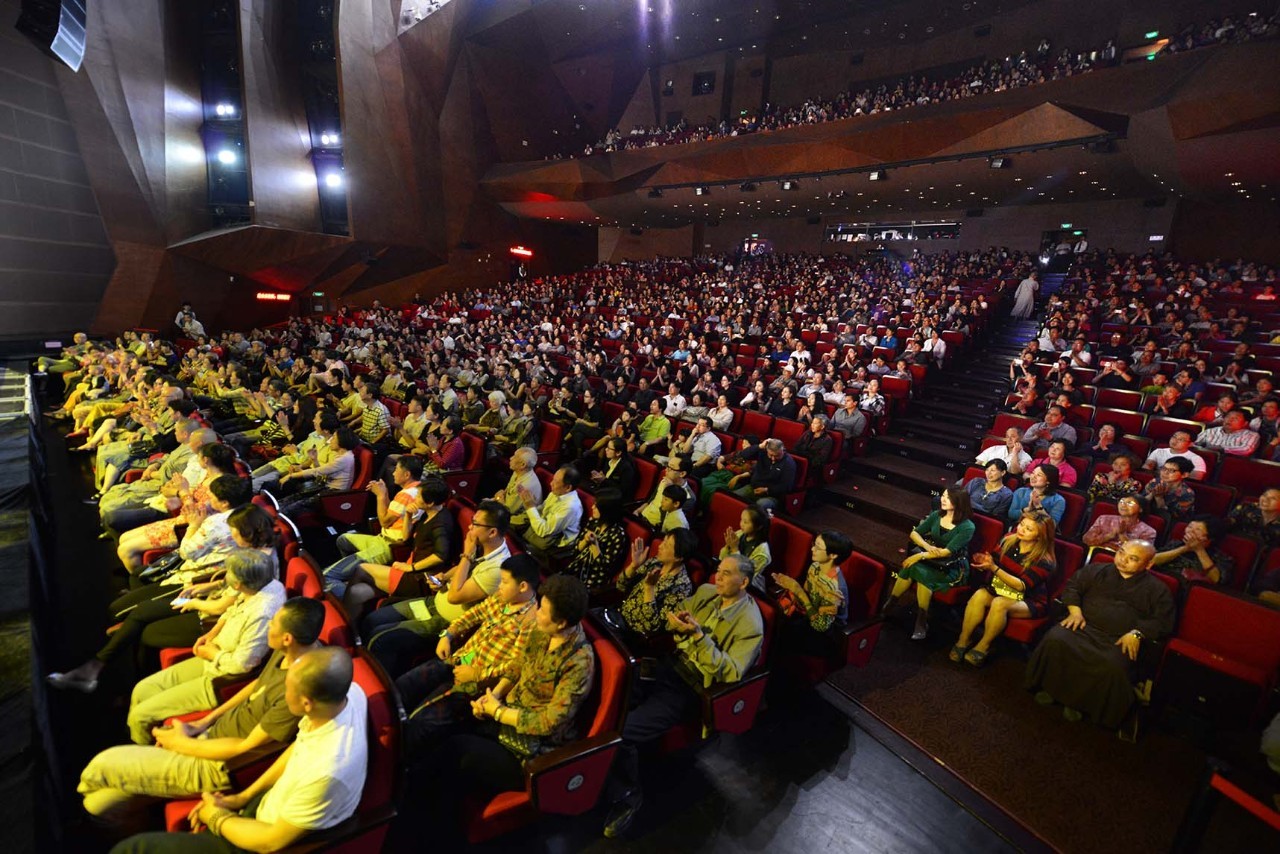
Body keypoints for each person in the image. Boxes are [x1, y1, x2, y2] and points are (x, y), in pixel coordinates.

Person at [77, 598, 326, 828]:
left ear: (287, 639)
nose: (268, 624)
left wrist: (182, 743)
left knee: (101, 770)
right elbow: (258, 684)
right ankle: (133, 816)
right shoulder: (294, 651)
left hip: (220, 765)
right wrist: (204, 721)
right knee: (101, 801)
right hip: (209, 738)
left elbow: (244, 749)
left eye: (273, 624)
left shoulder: (300, 685)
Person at [110, 647, 368, 854]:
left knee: (131, 849)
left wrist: (216, 817)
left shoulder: (327, 772)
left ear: (306, 703)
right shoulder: (347, 696)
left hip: (262, 840)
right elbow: (299, 748)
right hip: (261, 807)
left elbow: (271, 842)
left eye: (287, 688)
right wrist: (241, 798)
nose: (282, 691)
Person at [413, 575, 594, 846]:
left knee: (457, 751)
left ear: (562, 623)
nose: (536, 612)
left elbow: (548, 722)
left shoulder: (579, 662)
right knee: (446, 725)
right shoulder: (541, 630)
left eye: (543, 610)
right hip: (506, 713)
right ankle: (415, 804)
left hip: (533, 750)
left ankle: (436, 836)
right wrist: (493, 696)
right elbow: (517, 666)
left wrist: (498, 712)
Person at [604, 554, 763, 837]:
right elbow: (676, 615)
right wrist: (677, 624)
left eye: (727, 574)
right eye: (718, 570)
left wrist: (700, 638)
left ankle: (628, 795)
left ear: (745, 581)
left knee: (625, 731)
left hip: (691, 686)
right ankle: (601, 765)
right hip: (667, 663)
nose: (718, 577)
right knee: (612, 694)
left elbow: (732, 674)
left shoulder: (750, 624)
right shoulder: (706, 593)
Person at [123, 550, 285, 745]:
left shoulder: (262, 615)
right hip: (214, 654)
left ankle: (142, 753)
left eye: (229, 575)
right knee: (142, 689)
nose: (225, 578)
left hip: (222, 678)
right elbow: (232, 609)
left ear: (238, 585)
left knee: (140, 716)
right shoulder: (263, 583)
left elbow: (242, 665)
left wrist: (213, 654)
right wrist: (211, 634)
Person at [394, 554, 541, 756]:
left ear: (523, 587)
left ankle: (399, 762)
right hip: (457, 660)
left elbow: (514, 666)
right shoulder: (503, 598)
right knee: (402, 687)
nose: (500, 586)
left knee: (419, 722)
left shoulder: (531, 621)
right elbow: (474, 615)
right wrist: (448, 634)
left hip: (477, 685)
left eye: (505, 582)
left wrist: (476, 674)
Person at [1025, 541, 1175, 727]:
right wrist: (1075, 611)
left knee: (1111, 665)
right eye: (1121, 553)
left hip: (1118, 639)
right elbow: (1072, 588)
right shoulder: (1097, 570)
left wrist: (1137, 633)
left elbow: (1162, 621)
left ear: (1148, 564)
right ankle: (1051, 689)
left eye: (1133, 559)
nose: (1123, 560)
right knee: (1056, 639)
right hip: (1083, 625)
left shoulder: (1158, 590)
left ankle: (1081, 704)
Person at [363, 500, 512, 677]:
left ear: (492, 532)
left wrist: (466, 553)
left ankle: (379, 687)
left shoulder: (497, 568)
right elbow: (463, 570)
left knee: (381, 639)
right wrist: (444, 578)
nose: (470, 527)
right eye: (472, 520)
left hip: (445, 620)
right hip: (433, 602)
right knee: (373, 619)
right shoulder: (484, 546)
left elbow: (455, 597)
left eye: (475, 523)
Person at [952, 513, 1058, 666]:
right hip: (1000, 589)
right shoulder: (1008, 540)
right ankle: (963, 640)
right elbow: (993, 560)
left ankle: (983, 646)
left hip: (1028, 599)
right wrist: (984, 562)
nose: (1021, 529)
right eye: (1022, 524)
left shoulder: (1045, 559)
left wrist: (993, 568)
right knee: (980, 594)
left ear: (1040, 536)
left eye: (1029, 529)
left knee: (1000, 603)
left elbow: (1022, 585)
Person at [339, 477, 454, 613]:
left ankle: (342, 614)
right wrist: (408, 516)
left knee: (362, 568)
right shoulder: (428, 514)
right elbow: (406, 537)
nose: (415, 499)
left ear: (430, 503)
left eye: (418, 496)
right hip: (410, 566)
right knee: (356, 592)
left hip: (420, 578)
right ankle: (352, 630)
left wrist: (411, 567)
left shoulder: (440, 524)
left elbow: (440, 556)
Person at [885, 488, 976, 641]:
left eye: (948, 497)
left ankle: (919, 620)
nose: (943, 499)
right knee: (913, 567)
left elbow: (947, 552)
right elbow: (914, 533)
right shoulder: (936, 515)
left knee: (918, 569)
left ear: (959, 502)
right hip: (931, 558)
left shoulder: (968, 526)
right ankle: (893, 605)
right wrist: (927, 548)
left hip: (952, 567)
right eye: (944, 496)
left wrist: (920, 556)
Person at [771, 531, 855, 656]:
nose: (812, 549)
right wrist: (792, 589)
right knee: (775, 620)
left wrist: (799, 592)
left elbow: (820, 626)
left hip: (827, 635)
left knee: (783, 635)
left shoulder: (835, 589)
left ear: (833, 555)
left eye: (818, 547)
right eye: (814, 544)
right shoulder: (815, 566)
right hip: (808, 616)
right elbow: (807, 595)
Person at [614, 529, 697, 637]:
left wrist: (649, 588)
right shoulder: (656, 562)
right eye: (663, 541)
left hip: (634, 635)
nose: (660, 546)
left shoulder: (682, 587)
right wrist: (634, 566)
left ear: (678, 557)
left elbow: (652, 627)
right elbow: (620, 585)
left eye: (666, 545)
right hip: (619, 615)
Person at [565, 487, 629, 590]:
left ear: (606, 509)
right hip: (577, 568)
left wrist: (595, 545)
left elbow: (604, 568)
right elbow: (576, 550)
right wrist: (585, 541)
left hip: (593, 579)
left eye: (597, 506)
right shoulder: (594, 522)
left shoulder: (618, 534)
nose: (592, 507)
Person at [518, 465, 583, 565]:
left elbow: (543, 531)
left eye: (555, 482)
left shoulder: (570, 507)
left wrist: (530, 507)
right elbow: (541, 510)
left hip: (554, 546)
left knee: (520, 553)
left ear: (568, 487)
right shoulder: (557, 492)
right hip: (540, 531)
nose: (550, 483)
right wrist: (530, 503)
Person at [1151, 517, 1234, 587]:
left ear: (1210, 538)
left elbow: (1217, 580)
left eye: (1198, 529)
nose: (1190, 531)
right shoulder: (1175, 544)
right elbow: (1151, 561)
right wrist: (1184, 549)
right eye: (1190, 527)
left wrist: (1199, 550)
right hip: (1158, 583)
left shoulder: (1221, 558)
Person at [1081, 496, 1158, 553]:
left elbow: (1140, 554)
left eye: (1129, 503)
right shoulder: (1103, 519)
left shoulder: (1148, 532)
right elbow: (1086, 540)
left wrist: (1123, 536)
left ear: (1141, 509)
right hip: (1095, 553)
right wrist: (1110, 536)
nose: (1123, 505)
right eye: (1121, 502)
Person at [721, 504, 772, 589]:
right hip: (729, 574)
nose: (741, 524)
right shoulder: (740, 534)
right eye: (741, 520)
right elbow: (722, 559)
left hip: (748, 587)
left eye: (745, 522)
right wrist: (727, 547)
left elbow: (745, 575)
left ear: (759, 526)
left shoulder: (762, 553)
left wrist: (734, 549)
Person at [493, 446, 541, 528]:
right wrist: (501, 495)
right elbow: (507, 491)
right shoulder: (518, 472)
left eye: (515, 457)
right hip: (505, 506)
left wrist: (498, 498)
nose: (511, 458)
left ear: (523, 465)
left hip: (517, 520)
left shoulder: (525, 486)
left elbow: (509, 510)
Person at [1141, 456, 1197, 521]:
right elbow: (1140, 502)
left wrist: (1159, 498)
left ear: (1184, 475)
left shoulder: (1187, 494)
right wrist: (1152, 494)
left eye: (1171, 471)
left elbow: (1170, 517)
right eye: (1164, 468)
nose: (1165, 473)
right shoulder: (1155, 481)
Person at [1193, 411, 1261, 457]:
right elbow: (1194, 444)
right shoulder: (1210, 431)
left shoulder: (1252, 435)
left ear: (1245, 423)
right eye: (1228, 417)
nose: (1229, 420)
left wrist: (1221, 449)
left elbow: (1246, 450)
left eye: (1235, 418)